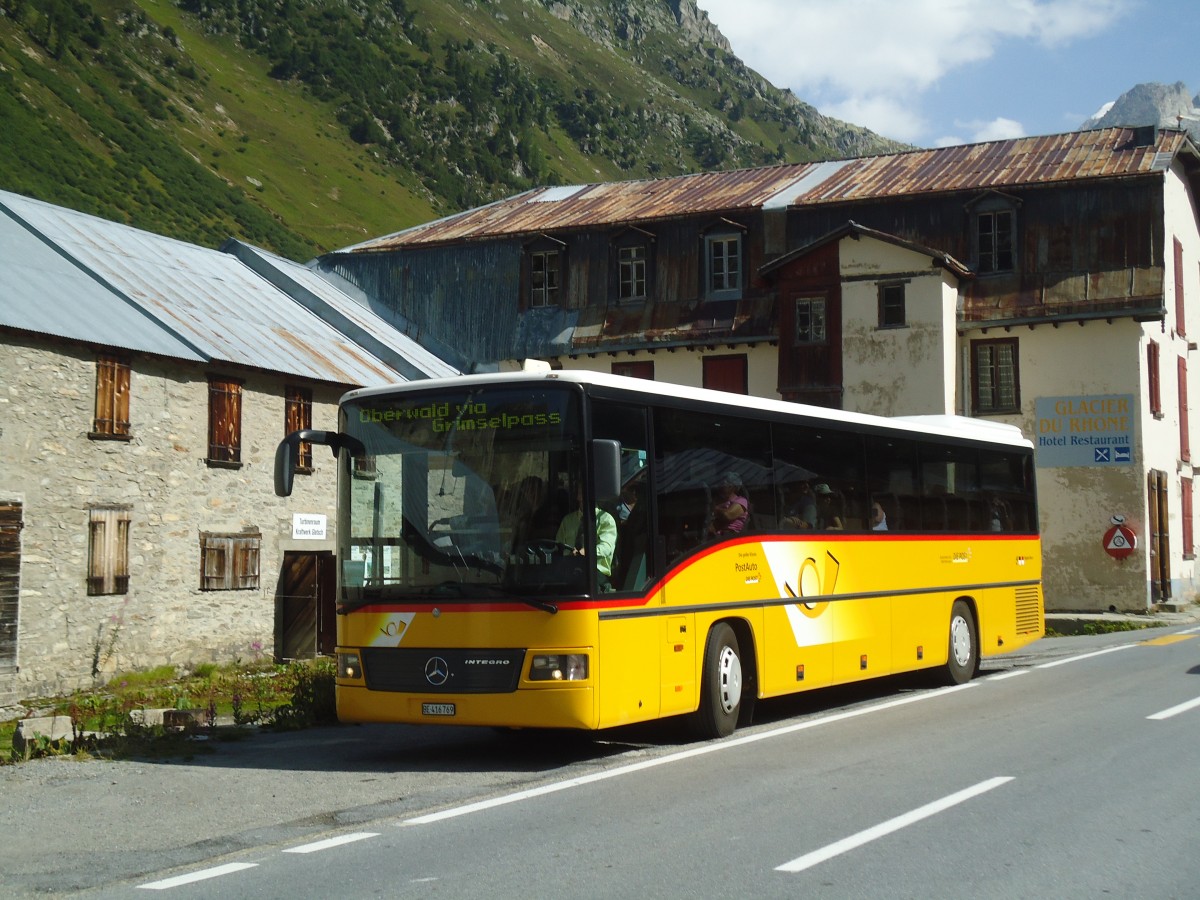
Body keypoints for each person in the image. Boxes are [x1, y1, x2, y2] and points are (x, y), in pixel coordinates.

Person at [556, 484, 618, 589]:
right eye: (582, 489)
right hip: (568, 571)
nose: (585, 492)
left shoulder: (605, 519)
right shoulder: (568, 520)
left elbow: (607, 548)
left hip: (595, 573)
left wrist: (587, 551)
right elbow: (558, 545)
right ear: (578, 495)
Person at [708, 471, 749, 536]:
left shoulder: (741, 501)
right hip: (714, 537)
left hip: (730, 537)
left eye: (725, 483)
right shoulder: (716, 501)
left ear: (734, 487)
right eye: (721, 483)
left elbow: (727, 515)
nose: (721, 486)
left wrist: (713, 509)